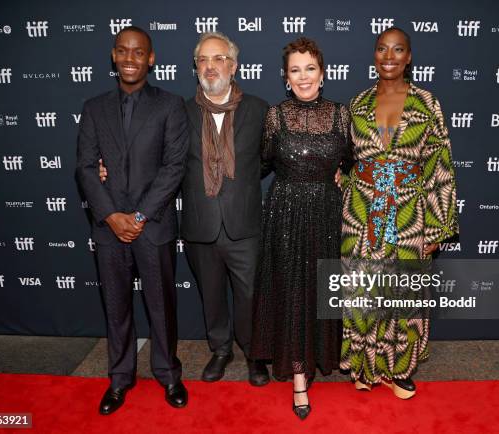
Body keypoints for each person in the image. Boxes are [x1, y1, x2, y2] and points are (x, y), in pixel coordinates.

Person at [100, 32, 270, 387]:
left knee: (250, 296)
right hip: (199, 224)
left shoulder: (258, 109)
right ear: (196, 67)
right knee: (211, 295)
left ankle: (255, 355)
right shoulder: (179, 110)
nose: (211, 66)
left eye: (219, 58)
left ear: (234, 66)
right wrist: (107, 167)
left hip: (245, 223)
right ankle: (220, 350)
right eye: (203, 60)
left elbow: (269, 159)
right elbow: (155, 160)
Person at [339, 27, 459, 399]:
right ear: (374, 55)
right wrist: (343, 185)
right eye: (381, 49)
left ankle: (399, 369)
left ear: (409, 57)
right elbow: (346, 161)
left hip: (409, 211)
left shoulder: (427, 103)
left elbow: (440, 166)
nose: (388, 56)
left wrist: (437, 228)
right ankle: (363, 365)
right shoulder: (356, 104)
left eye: (397, 49)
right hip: (361, 213)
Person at [76, 26, 189, 414]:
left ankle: (169, 373)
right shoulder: (94, 107)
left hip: (151, 226)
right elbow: (86, 169)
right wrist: (111, 215)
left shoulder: (171, 105)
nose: (129, 58)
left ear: (151, 58)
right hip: (109, 229)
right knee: (116, 307)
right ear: (113, 55)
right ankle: (119, 378)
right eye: (122, 51)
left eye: (138, 52)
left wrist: (137, 216)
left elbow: (174, 168)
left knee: (162, 306)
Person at [250, 37, 351, 420]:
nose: (303, 76)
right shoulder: (275, 116)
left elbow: (356, 162)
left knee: (321, 288)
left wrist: (342, 178)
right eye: (295, 70)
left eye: (310, 68)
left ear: (322, 74)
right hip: (286, 213)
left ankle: (324, 357)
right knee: (292, 290)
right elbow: (258, 165)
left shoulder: (342, 115)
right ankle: (298, 379)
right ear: (286, 77)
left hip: (326, 212)